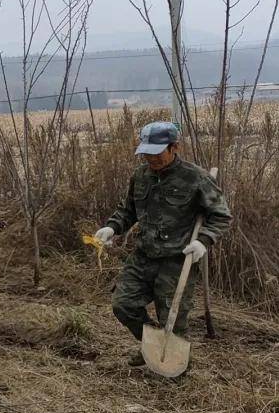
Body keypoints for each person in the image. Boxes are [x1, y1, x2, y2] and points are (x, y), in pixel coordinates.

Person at [93, 121, 232, 366]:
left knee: (173, 318)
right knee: (123, 304)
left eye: (157, 153)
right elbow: (128, 211)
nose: (151, 159)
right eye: (146, 153)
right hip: (144, 256)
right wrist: (112, 227)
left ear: (174, 147)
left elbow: (221, 215)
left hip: (177, 261)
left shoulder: (195, 178)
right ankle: (153, 346)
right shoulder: (141, 176)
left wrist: (203, 242)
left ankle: (175, 367)